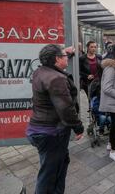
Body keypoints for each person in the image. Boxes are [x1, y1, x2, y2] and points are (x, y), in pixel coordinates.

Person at [26, 44, 84, 194]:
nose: (68, 58)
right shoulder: (56, 79)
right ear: (57, 59)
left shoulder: (40, 71)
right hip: (52, 133)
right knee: (49, 174)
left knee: (57, 166)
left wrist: (67, 52)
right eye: (65, 56)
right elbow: (66, 108)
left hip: (40, 130)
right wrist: (78, 127)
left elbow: (57, 59)